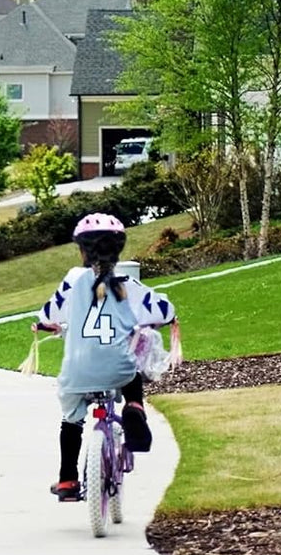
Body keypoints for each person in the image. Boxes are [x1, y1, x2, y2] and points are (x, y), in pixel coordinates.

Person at [33, 212, 177, 501]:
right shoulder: (126, 285)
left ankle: (68, 480)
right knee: (131, 369)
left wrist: (48, 325)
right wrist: (161, 321)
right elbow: (164, 311)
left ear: (82, 250)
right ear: (118, 249)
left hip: (76, 373)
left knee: (71, 420)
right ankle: (134, 407)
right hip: (117, 369)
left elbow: (48, 315)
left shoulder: (73, 281)